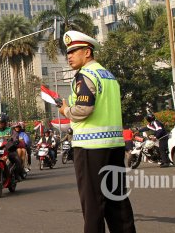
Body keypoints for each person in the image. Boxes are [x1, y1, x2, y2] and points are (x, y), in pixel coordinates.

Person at [58, 30, 135, 233]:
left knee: (93, 205)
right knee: (117, 201)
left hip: (90, 148)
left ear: (88, 52)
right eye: (68, 52)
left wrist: (66, 110)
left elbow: (84, 109)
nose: (70, 56)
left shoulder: (85, 76)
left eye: (75, 51)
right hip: (115, 146)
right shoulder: (109, 76)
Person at [0, 113, 25, 179]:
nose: (0, 124)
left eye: (2, 122)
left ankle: (18, 174)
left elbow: (15, 136)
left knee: (17, 159)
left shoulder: (10, 130)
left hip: (9, 150)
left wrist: (15, 141)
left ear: (5, 123)